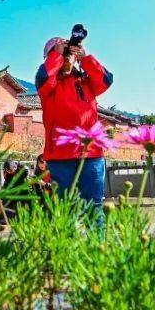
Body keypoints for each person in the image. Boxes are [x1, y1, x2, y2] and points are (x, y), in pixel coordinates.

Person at [36, 34, 114, 219]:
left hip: (91, 154)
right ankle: (67, 247)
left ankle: (96, 247)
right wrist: (57, 55)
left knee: (94, 207)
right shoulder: (48, 86)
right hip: (60, 157)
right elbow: (44, 77)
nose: (66, 56)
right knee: (65, 209)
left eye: (68, 51)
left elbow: (106, 80)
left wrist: (85, 58)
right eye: (62, 51)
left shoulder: (86, 83)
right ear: (50, 58)